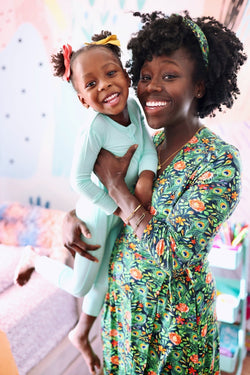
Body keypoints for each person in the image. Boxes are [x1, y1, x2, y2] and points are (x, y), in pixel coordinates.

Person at [62, 11, 246, 375]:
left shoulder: (219, 162)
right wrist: (72, 218)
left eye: (170, 76)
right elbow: (96, 192)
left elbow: (175, 257)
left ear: (200, 85)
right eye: (145, 77)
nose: (151, 87)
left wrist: (120, 191)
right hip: (124, 313)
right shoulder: (148, 142)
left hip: (173, 334)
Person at [14, 30, 158, 375]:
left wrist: (146, 177)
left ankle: (80, 334)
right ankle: (34, 257)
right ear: (82, 100)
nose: (105, 86)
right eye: (91, 84)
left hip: (123, 208)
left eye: (110, 74)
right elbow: (78, 181)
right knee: (81, 284)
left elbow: (147, 146)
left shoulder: (135, 107)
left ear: (125, 76)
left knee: (103, 283)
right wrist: (118, 210)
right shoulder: (95, 129)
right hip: (99, 212)